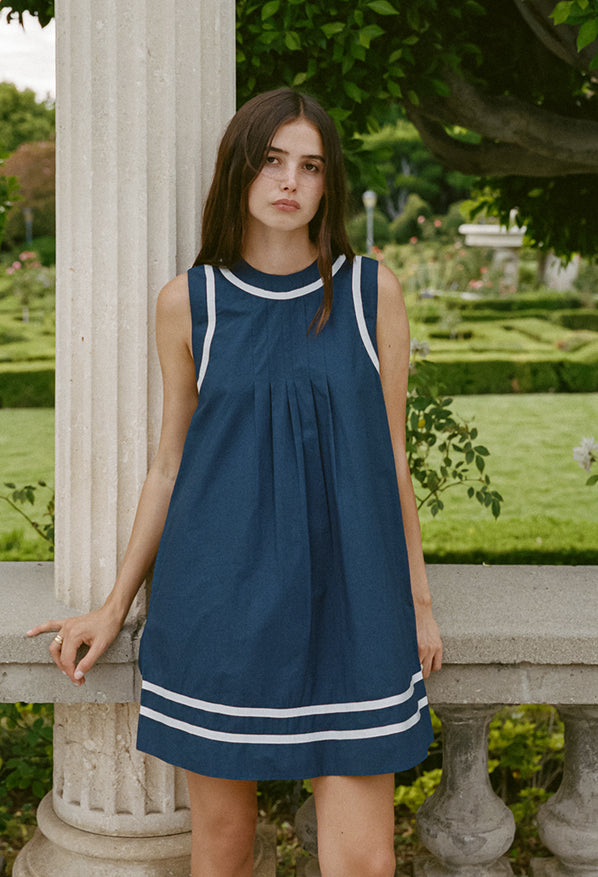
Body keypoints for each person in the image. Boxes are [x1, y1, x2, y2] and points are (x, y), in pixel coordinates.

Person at [28, 87, 442, 877]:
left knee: (364, 863)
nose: (290, 180)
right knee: (220, 855)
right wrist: (116, 605)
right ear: (240, 172)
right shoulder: (191, 304)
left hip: (356, 609)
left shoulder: (368, 293)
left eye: (310, 165)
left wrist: (417, 604)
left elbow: (392, 458)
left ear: (328, 184)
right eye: (272, 160)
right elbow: (169, 463)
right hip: (218, 604)